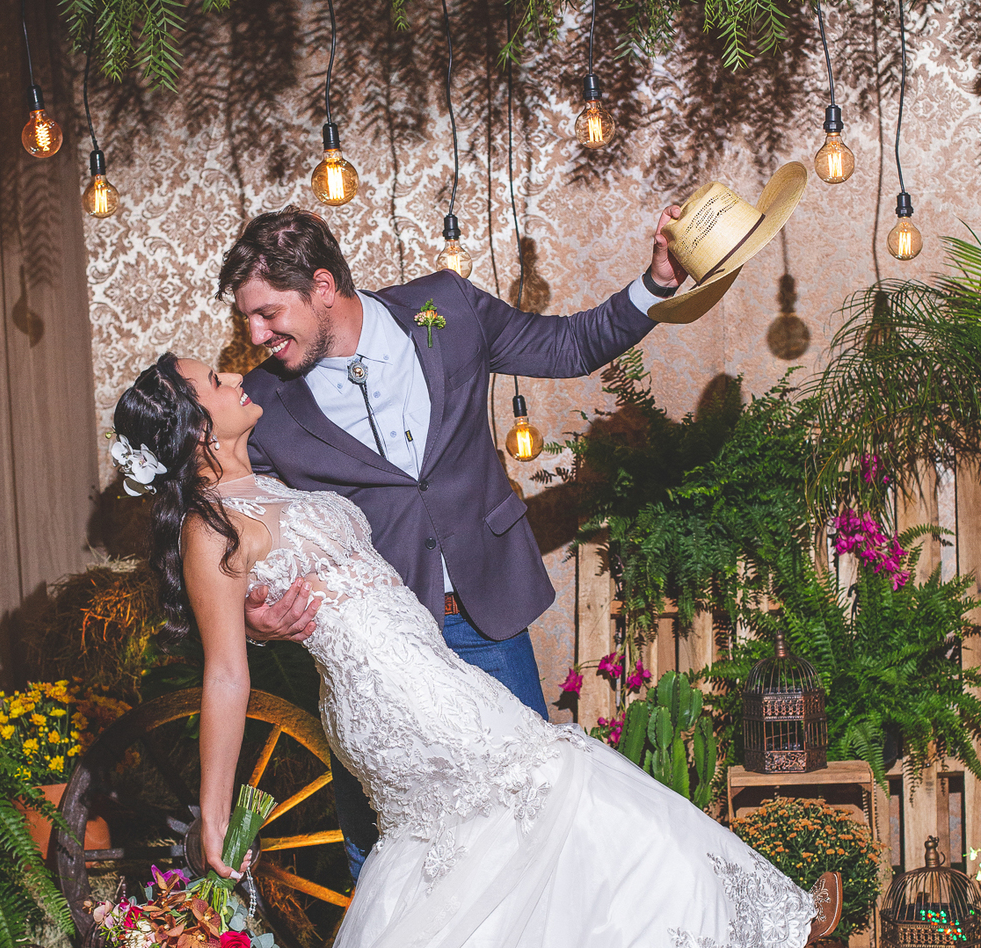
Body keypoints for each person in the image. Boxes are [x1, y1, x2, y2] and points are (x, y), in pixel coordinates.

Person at [0, 351, 836, 948]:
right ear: (195, 429)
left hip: (432, 676)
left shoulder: (270, 483)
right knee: (572, 793)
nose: (234, 380)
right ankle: (753, 928)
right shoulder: (209, 528)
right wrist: (214, 811)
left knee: (490, 870)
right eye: (214, 384)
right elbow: (225, 672)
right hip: (400, 703)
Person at [221, 207, 684, 876]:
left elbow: (569, 345)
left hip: (485, 611)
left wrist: (658, 282)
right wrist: (253, 619)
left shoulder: (447, 307)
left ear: (322, 286)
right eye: (248, 320)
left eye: (267, 314)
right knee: (389, 845)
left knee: (533, 812)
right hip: (380, 650)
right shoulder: (261, 406)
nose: (256, 336)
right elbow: (236, 534)